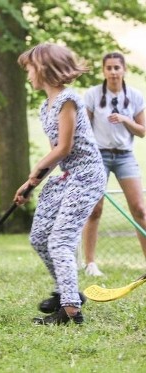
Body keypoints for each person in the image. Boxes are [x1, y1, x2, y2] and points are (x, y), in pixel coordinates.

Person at [16, 43, 106, 325]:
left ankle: (70, 311)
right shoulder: (46, 107)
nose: (28, 74)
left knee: (60, 241)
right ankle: (67, 291)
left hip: (87, 175)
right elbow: (55, 154)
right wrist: (30, 183)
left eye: (30, 68)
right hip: (67, 176)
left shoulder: (69, 100)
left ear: (43, 67)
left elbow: (64, 147)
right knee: (40, 237)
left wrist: (34, 169)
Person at [81, 52, 146, 277]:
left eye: (117, 68)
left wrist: (126, 120)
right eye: (109, 68)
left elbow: (142, 131)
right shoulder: (92, 95)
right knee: (95, 210)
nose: (113, 72)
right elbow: (84, 127)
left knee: (139, 209)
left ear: (124, 69)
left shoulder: (136, 96)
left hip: (125, 156)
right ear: (104, 70)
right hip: (99, 156)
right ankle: (90, 263)